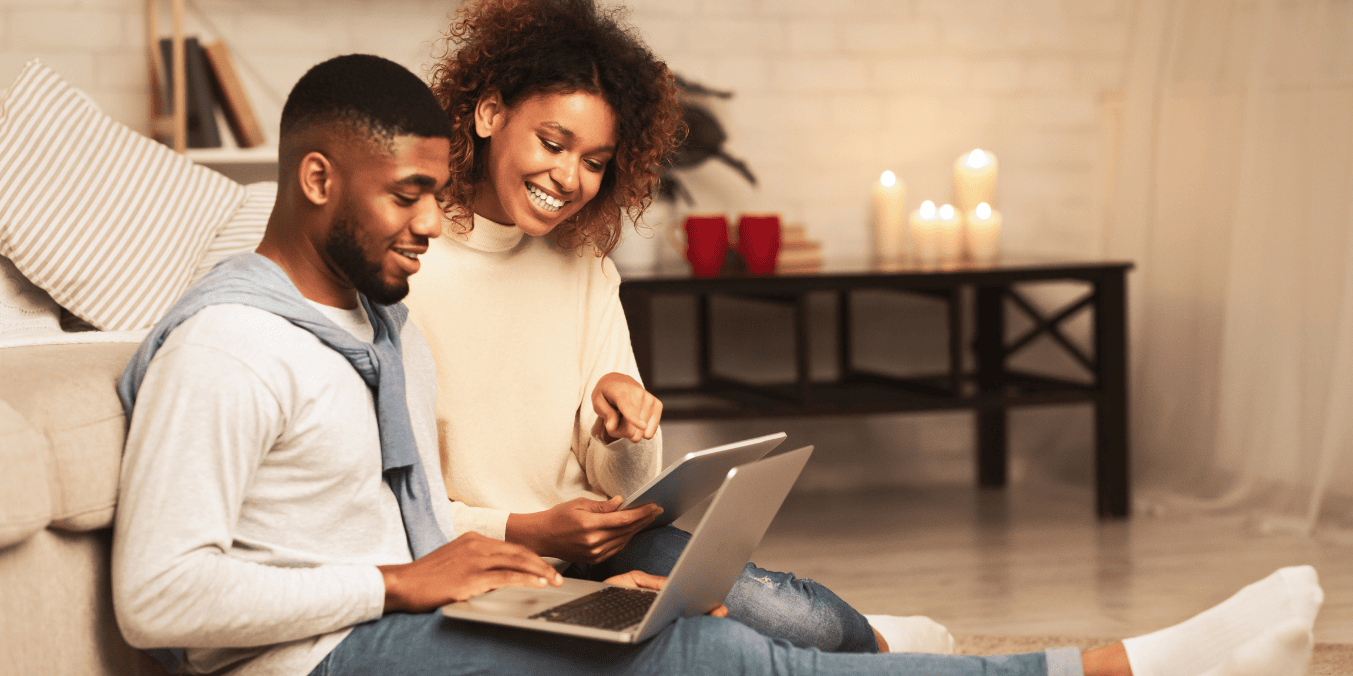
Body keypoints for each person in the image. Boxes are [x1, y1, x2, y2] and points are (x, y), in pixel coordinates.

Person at [113, 52, 1323, 676]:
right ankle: (1118, 669)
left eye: (438, 196)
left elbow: (422, 528)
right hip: (323, 662)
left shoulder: (378, 333)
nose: (433, 223)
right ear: (318, 179)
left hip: (401, 619)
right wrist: (408, 580)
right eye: (410, 195)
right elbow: (158, 598)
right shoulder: (231, 348)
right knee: (717, 655)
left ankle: (1099, 665)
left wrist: (534, 593)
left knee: (706, 628)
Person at [406, 0, 946, 654]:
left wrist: (625, 424)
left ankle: (882, 648)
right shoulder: (407, 263)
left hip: (600, 542)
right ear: (490, 114)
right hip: (478, 553)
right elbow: (402, 504)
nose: (568, 178)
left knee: (789, 616)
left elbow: (625, 487)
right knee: (704, 647)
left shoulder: (581, 265)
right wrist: (530, 529)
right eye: (553, 143)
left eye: (595, 160)